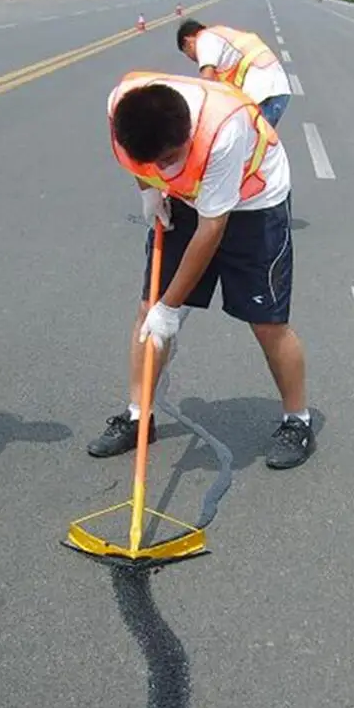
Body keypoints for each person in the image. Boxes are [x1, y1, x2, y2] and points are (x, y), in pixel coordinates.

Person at [87, 72, 315, 470]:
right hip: (187, 197)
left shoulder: (223, 129)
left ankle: (297, 421)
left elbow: (212, 229)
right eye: (153, 161)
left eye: (168, 158)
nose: (161, 165)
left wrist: (171, 308)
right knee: (147, 311)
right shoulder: (122, 104)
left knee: (267, 321)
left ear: (188, 134)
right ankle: (139, 415)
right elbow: (139, 163)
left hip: (254, 201)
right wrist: (150, 191)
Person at [176, 19, 292, 128]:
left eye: (187, 53)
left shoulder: (204, 38)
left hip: (263, 94)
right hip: (277, 90)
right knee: (255, 143)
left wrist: (196, 114)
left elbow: (207, 82)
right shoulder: (221, 35)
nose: (193, 58)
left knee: (248, 144)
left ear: (188, 42)